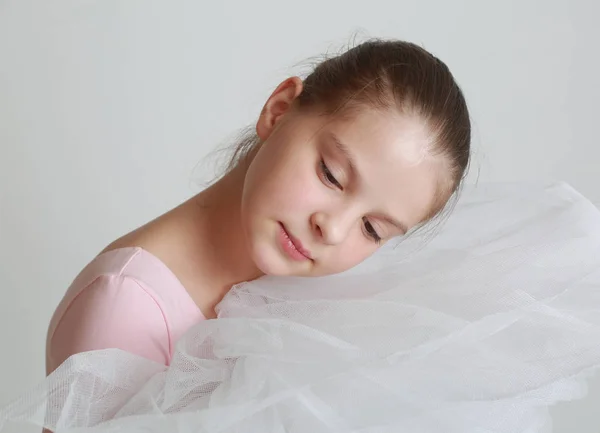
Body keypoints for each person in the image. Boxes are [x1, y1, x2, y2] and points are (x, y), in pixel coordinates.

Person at [45, 38, 471, 375]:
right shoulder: (124, 311)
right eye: (331, 175)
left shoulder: (315, 305)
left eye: (373, 229)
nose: (333, 229)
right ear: (279, 109)